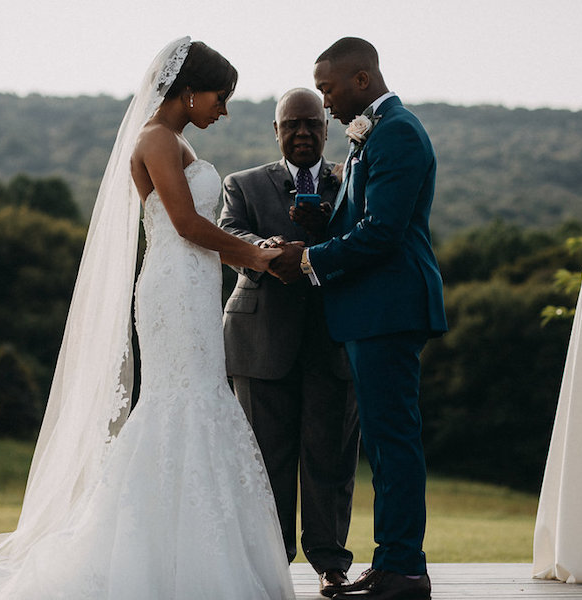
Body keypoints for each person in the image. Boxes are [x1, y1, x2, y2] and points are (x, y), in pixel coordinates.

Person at [0, 37, 294, 600]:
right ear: (187, 90)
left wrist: (257, 252)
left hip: (194, 289)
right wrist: (250, 254)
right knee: (180, 403)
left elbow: (204, 235)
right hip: (171, 295)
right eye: (219, 97)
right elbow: (182, 224)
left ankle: (180, 551)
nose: (223, 110)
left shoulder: (174, 141)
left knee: (198, 400)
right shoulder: (155, 139)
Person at [270, 37, 448, 600]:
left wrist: (308, 259)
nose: (324, 105)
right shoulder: (374, 132)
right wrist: (329, 214)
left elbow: (383, 232)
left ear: (362, 80)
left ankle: (404, 570)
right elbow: (364, 217)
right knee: (384, 440)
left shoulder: (395, 131)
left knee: (393, 441)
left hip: (388, 309)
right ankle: (394, 561)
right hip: (374, 310)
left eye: (327, 90)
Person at [219, 87, 360, 597]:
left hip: (334, 338)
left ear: (327, 128)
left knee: (331, 458)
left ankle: (331, 564)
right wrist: (267, 251)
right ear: (275, 131)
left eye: (311, 124)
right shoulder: (244, 184)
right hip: (260, 340)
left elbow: (367, 241)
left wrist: (325, 235)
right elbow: (227, 233)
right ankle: (269, 565)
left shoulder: (352, 181)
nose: (302, 133)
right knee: (265, 460)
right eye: (291, 125)